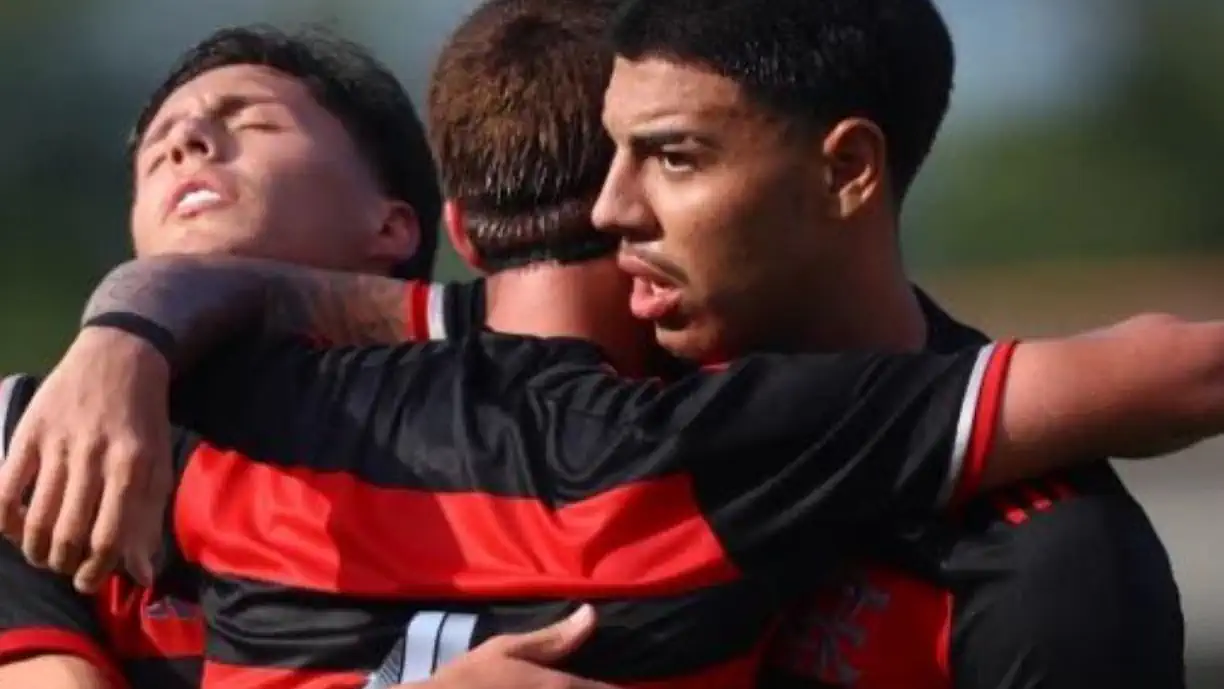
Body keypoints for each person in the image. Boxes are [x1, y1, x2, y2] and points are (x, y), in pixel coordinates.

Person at [5, 2, 1196, 688]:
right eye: (611, 157)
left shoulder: (1041, 562)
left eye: (671, 156)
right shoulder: (54, 441)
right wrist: (124, 334)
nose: (617, 207)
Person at [0, 24, 454, 689]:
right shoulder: (34, 444)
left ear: (389, 225)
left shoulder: (501, 421)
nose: (186, 143)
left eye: (255, 123)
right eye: (158, 147)